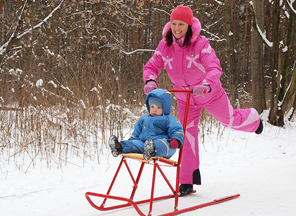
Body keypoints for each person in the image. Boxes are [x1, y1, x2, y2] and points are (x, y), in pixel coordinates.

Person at [143, 5, 263, 195]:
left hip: (209, 94)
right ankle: (187, 180)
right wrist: (150, 80)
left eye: (181, 24)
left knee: (229, 120)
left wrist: (206, 84)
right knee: (186, 136)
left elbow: (214, 67)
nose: (177, 28)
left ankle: (254, 119)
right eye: (174, 23)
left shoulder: (201, 44)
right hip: (185, 99)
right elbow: (151, 66)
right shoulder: (165, 46)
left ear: (189, 25)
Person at [108, 88, 184, 161]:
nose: (154, 109)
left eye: (158, 107)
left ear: (165, 108)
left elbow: (177, 129)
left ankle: (152, 149)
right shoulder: (144, 118)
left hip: (161, 143)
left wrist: (176, 140)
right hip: (144, 144)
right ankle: (119, 147)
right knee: (134, 144)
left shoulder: (169, 119)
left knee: (165, 145)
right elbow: (136, 131)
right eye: (152, 106)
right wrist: (132, 141)